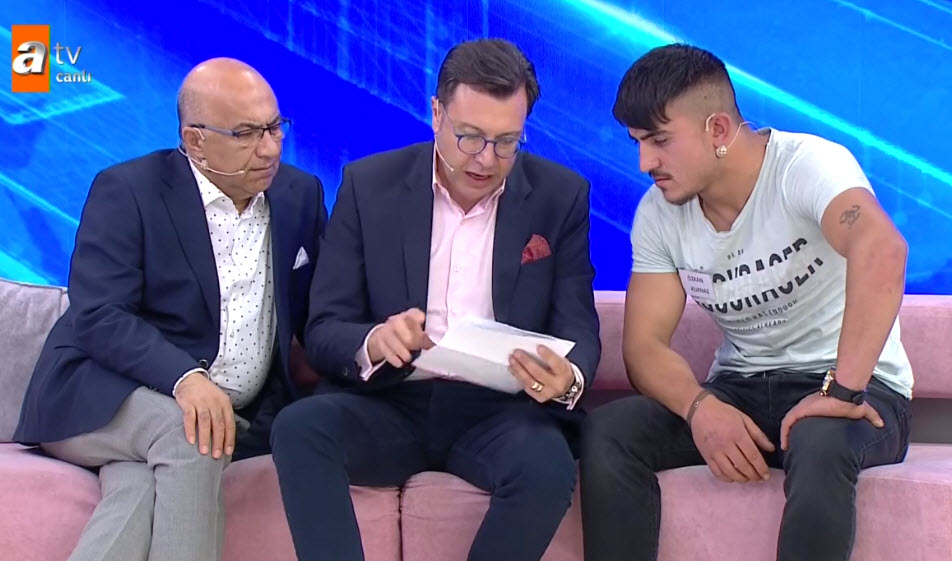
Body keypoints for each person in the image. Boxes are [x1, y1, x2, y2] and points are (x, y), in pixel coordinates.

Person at [270, 38, 601, 561]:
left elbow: (579, 325)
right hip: (389, 401)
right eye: (469, 137)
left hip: (499, 411)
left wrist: (569, 378)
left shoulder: (560, 196)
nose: (486, 159)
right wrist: (375, 341)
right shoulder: (368, 185)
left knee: (547, 465)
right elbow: (324, 326)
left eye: (506, 142)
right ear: (436, 113)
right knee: (300, 429)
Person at [580, 43, 912, 561]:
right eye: (637, 142)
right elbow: (643, 346)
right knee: (608, 430)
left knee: (821, 439)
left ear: (717, 129)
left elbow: (883, 249)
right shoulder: (659, 213)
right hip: (741, 389)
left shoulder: (806, 166)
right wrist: (700, 408)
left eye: (660, 141)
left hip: (854, 386)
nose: (646, 163)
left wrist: (843, 391)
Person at [14, 57, 327, 561]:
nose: (270, 148)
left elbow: (319, 311)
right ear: (195, 141)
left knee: (137, 489)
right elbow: (100, 315)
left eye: (275, 128)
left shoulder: (299, 195)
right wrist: (186, 378)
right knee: (193, 435)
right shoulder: (128, 190)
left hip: (234, 412)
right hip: (99, 394)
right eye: (247, 134)